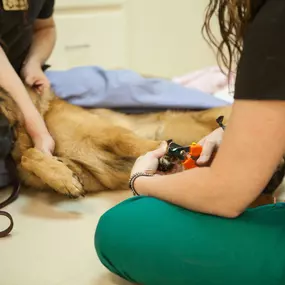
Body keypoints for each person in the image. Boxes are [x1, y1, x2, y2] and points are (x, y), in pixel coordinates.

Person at [95, 0, 285, 284]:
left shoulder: (276, 21)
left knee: (121, 225)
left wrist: (141, 180)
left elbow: (227, 195)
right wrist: (239, 133)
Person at [0, 1, 56, 187]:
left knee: (115, 86)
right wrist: (38, 131)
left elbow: (46, 28)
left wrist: (33, 64)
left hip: (24, 74)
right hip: (6, 81)